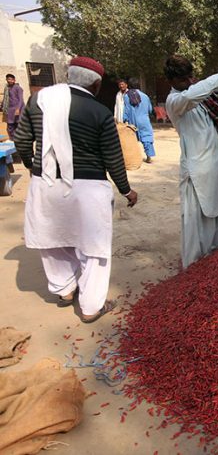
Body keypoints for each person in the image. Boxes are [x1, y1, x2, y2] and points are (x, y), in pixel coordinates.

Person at [14, 56, 138, 323]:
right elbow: (112, 158)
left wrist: (34, 168)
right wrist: (127, 191)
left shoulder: (39, 101)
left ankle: (65, 290)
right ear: (95, 84)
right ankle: (91, 306)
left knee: (53, 240)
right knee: (93, 248)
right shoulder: (99, 112)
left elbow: (22, 140)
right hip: (88, 189)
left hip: (45, 184)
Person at [164, 55, 218, 268]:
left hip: (214, 165)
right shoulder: (176, 101)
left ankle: (215, 256)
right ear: (172, 80)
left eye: (190, 77)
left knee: (217, 215)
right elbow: (199, 90)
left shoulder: (202, 95)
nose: (189, 81)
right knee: (195, 221)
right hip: (196, 170)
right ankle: (193, 266)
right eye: (184, 79)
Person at [123, 78, 155, 163]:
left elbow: (126, 110)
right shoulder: (145, 96)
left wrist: (124, 119)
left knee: (132, 139)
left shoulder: (127, 96)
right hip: (144, 120)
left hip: (133, 121)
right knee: (147, 137)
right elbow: (150, 109)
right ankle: (149, 156)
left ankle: (134, 158)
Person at [2, 74, 24, 140]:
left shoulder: (18, 88)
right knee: (10, 126)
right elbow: (5, 98)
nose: (10, 81)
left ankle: (20, 139)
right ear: (6, 80)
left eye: (11, 79)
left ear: (14, 80)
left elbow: (21, 100)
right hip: (10, 109)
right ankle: (12, 139)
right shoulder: (7, 88)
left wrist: (18, 109)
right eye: (8, 79)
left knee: (18, 124)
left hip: (18, 109)